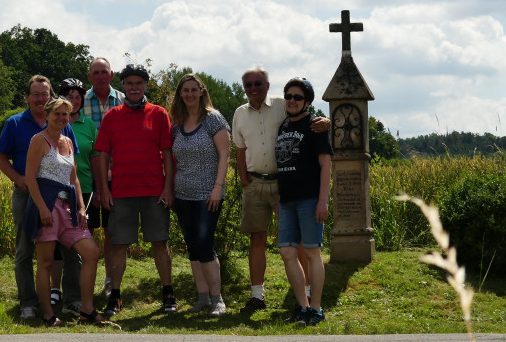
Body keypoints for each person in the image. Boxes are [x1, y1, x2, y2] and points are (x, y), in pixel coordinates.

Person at [231, 67, 330, 313]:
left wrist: (326, 120)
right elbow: (239, 149)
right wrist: (244, 179)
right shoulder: (242, 113)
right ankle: (259, 296)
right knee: (263, 240)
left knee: (301, 246)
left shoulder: (281, 106)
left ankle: (308, 298)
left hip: (287, 186)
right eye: (248, 84)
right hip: (259, 184)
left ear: (267, 84)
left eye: (258, 83)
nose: (253, 88)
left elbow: (311, 127)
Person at [94, 63, 176, 317]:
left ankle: (168, 293)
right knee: (118, 244)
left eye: (139, 83)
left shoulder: (159, 114)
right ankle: (116, 297)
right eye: (129, 83)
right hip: (120, 191)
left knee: (159, 243)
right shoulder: (112, 115)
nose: (134, 87)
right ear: (123, 86)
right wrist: (104, 190)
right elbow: (102, 154)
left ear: (145, 86)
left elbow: (168, 154)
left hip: (154, 190)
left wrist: (168, 187)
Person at [0, 75, 80, 320]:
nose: (41, 99)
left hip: (61, 197)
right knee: (24, 250)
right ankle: (28, 302)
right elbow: (2, 158)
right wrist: (18, 179)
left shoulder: (64, 123)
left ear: (51, 96)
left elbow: (72, 161)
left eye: (45, 94)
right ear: (27, 97)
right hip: (26, 195)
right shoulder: (15, 123)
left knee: (70, 248)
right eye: (36, 94)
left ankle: (72, 300)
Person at [22, 98, 106, 326]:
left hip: (68, 206)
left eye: (65, 115)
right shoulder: (38, 140)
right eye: (57, 114)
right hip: (46, 205)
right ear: (47, 115)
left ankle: (87, 310)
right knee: (46, 261)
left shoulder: (69, 140)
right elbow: (30, 177)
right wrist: (42, 209)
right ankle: (49, 315)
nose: (61, 118)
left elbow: (74, 178)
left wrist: (80, 207)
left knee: (91, 253)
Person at [169, 73, 230, 317]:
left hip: (208, 195)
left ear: (202, 91)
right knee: (193, 248)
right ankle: (202, 298)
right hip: (183, 195)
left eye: (194, 89)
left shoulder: (213, 119)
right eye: (185, 90)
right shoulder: (177, 123)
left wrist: (218, 187)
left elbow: (225, 154)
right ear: (180, 94)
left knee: (205, 246)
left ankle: (218, 300)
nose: (190, 94)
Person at [276, 78, 332, 326]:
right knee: (287, 252)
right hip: (286, 201)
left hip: (310, 199)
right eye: (289, 95)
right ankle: (302, 306)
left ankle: (316, 309)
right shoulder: (283, 126)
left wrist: (323, 200)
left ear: (307, 101)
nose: (292, 100)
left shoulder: (316, 126)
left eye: (297, 97)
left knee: (311, 251)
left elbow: (326, 164)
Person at [48, 78, 99, 304]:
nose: (74, 101)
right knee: (55, 245)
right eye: (70, 96)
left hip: (83, 189)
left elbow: (95, 158)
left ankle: (76, 293)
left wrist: (99, 188)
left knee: (79, 244)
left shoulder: (89, 126)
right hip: (57, 191)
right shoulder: (54, 124)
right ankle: (55, 289)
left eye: (78, 97)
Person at [81, 57, 125, 297]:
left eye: (104, 72)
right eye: (95, 72)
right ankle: (82, 283)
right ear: (89, 77)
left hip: (117, 176)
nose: (100, 76)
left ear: (111, 74)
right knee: (83, 231)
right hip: (86, 178)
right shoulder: (77, 101)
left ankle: (110, 282)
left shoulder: (124, 100)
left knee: (112, 232)